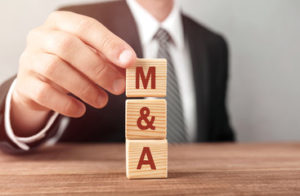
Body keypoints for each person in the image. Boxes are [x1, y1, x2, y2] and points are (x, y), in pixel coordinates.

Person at [0, 0, 234, 153]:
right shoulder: (78, 23)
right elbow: (43, 97)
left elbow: (220, 136)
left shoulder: (213, 44)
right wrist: (25, 105)